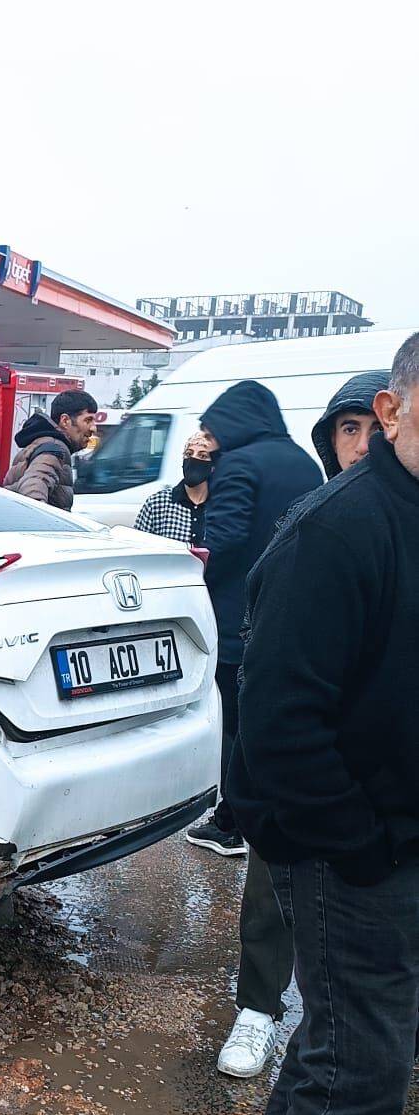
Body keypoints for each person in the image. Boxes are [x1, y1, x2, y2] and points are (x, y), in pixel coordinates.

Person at [211, 334, 419, 1115]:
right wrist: (363, 840)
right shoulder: (337, 530)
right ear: (392, 406)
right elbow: (278, 725)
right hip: (340, 850)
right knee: (367, 1065)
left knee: (342, 1039)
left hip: (391, 837)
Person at [216, 371, 389, 1078]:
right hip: (303, 754)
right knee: (275, 887)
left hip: (388, 765)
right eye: (348, 430)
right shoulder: (310, 521)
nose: (361, 446)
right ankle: (258, 1009)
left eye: (374, 429)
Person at [183, 381, 322, 857]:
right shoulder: (304, 461)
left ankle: (231, 822)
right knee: (267, 714)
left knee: (234, 722)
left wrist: (194, 571)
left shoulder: (240, 463)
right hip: (293, 606)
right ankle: (260, 812)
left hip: (237, 611)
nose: (211, 439)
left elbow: (226, 537)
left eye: (213, 428)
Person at [3, 389, 98, 510]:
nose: (93, 428)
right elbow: (32, 491)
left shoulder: (46, 443)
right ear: (65, 421)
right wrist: (40, 523)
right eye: (88, 420)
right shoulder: (54, 450)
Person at [132, 429, 219, 546]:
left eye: (202, 456)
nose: (193, 459)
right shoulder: (158, 503)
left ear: (213, 465)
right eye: (189, 454)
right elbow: (136, 547)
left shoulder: (221, 506)